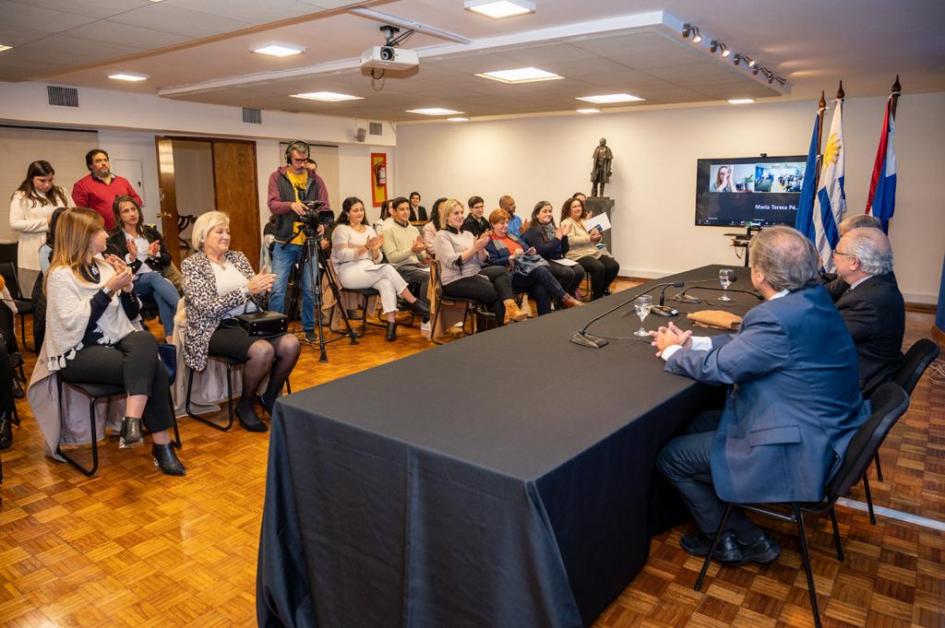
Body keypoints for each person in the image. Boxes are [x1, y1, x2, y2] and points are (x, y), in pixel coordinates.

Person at [652, 226, 868, 565]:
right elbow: (753, 346)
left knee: (671, 457)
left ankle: (739, 538)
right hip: (824, 428)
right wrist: (694, 343)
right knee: (694, 424)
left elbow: (722, 369)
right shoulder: (812, 299)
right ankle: (723, 519)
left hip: (796, 448)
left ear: (759, 274)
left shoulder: (775, 317)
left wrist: (671, 353)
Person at [37, 207, 185, 475]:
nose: (106, 234)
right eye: (100, 230)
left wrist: (127, 289)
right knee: (156, 368)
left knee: (143, 337)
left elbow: (130, 316)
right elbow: (74, 325)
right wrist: (109, 289)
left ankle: (132, 422)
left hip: (116, 342)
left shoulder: (104, 266)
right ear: (83, 236)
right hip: (79, 353)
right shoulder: (60, 276)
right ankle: (161, 445)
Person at [182, 211, 301, 432]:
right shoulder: (193, 265)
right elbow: (207, 308)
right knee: (262, 350)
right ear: (203, 236)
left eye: (228, 231)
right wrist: (246, 289)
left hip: (250, 321)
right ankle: (245, 405)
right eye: (219, 232)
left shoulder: (238, 257)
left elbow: (257, 299)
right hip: (214, 328)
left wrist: (263, 287)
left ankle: (269, 396)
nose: (226, 236)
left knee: (291, 343)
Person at [331, 197, 429, 341]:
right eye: (355, 210)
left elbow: (377, 259)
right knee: (387, 269)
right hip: (347, 272)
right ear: (347, 213)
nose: (360, 213)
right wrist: (365, 247)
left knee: (386, 282)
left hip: (368, 268)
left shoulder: (369, 229)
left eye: (361, 210)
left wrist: (375, 250)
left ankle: (391, 325)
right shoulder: (341, 230)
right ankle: (414, 302)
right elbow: (342, 255)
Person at [266, 140, 331, 343]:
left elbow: (326, 208)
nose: (301, 164)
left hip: (309, 241)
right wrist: (290, 205)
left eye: (304, 160)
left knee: (311, 288)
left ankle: (309, 328)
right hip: (285, 241)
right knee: (277, 289)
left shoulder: (316, 180)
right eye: (297, 160)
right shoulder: (277, 177)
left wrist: (323, 225)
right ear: (288, 157)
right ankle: (274, 330)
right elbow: (273, 205)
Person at [830, 227, 905, 395]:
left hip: (855, 386)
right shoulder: (876, 284)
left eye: (837, 252)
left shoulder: (867, 301)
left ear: (854, 262)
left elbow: (825, 341)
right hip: (868, 370)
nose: (833, 256)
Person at [433, 198, 527, 325]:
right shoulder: (442, 235)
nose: (461, 216)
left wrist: (481, 248)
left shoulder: (466, 234)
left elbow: (482, 261)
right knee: (498, 293)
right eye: (456, 213)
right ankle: (502, 328)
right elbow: (453, 263)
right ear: (446, 216)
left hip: (474, 274)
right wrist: (475, 248)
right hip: (454, 280)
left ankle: (511, 309)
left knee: (501, 270)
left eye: (461, 212)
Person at [106, 195, 179, 343]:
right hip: (133, 284)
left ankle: (171, 340)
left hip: (157, 283)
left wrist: (154, 255)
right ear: (119, 216)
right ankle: (184, 310)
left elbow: (167, 259)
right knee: (153, 277)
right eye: (126, 211)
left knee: (160, 293)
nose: (132, 213)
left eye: (134, 209)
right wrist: (138, 258)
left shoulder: (150, 233)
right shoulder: (115, 239)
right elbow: (122, 271)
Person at [485, 209, 582, 315]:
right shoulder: (489, 240)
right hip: (510, 276)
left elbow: (526, 248)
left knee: (541, 287)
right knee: (540, 271)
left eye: (507, 222)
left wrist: (530, 251)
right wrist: (510, 257)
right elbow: (492, 263)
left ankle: (546, 320)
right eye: (502, 223)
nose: (506, 225)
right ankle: (566, 298)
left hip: (525, 271)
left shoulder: (511, 235)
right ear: (493, 224)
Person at [9, 160, 74, 295]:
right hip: (33, 251)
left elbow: (74, 214)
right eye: (42, 180)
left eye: (50, 180)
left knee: (62, 293)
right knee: (38, 298)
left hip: (61, 248)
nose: (47, 184)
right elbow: (15, 223)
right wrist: (47, 222)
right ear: (31, 178)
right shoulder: (21, 196)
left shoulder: (61, 192)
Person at [522, 201, 585, 299]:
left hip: (556, 259)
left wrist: (564, 237)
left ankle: (569, 294)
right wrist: (557, 238)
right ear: (537, 214)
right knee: (568, 272)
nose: (548, 214)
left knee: (580, 271)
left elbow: (564, 250)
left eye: (550, 211)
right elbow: (542, 250)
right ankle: (559, 299)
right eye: (545, 211)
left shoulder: (553, 228)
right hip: (542, 261)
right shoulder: (533, 230)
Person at [560, 196, 620, 299]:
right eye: (574, 207)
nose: (578, 208)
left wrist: (597, 238)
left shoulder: (584, 221)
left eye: (579, 206)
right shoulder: (566, 222)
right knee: (598, 267)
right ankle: (597, 297)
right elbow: (570, 241)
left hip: (592, 252)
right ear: (568, 210)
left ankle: (600, 291)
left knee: (613, 266)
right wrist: (589, 238)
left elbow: (594, 239)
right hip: (576, 254)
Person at [381, 196, 431, 319]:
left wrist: (423, 251)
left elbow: (419, 256)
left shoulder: (413, 229)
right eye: (402, 209)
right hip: (398, 268)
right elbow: (392, 258)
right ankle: (426, 313)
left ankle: (437, 310)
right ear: (394, 212)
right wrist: (411, 250)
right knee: (428, 277)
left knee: (438, 272)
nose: (406, 212)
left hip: (416, 265)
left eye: (408, 209)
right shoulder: (388, 229)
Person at [71, 149, 142, 230]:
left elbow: (137, 200)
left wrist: (126, 208)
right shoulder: (81, 185)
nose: (104, 163)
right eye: (98, 161)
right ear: (90, 165)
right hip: (100, 232)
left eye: (105, 160)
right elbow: (79, 213)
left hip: (126, 230)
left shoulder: (123, 181)